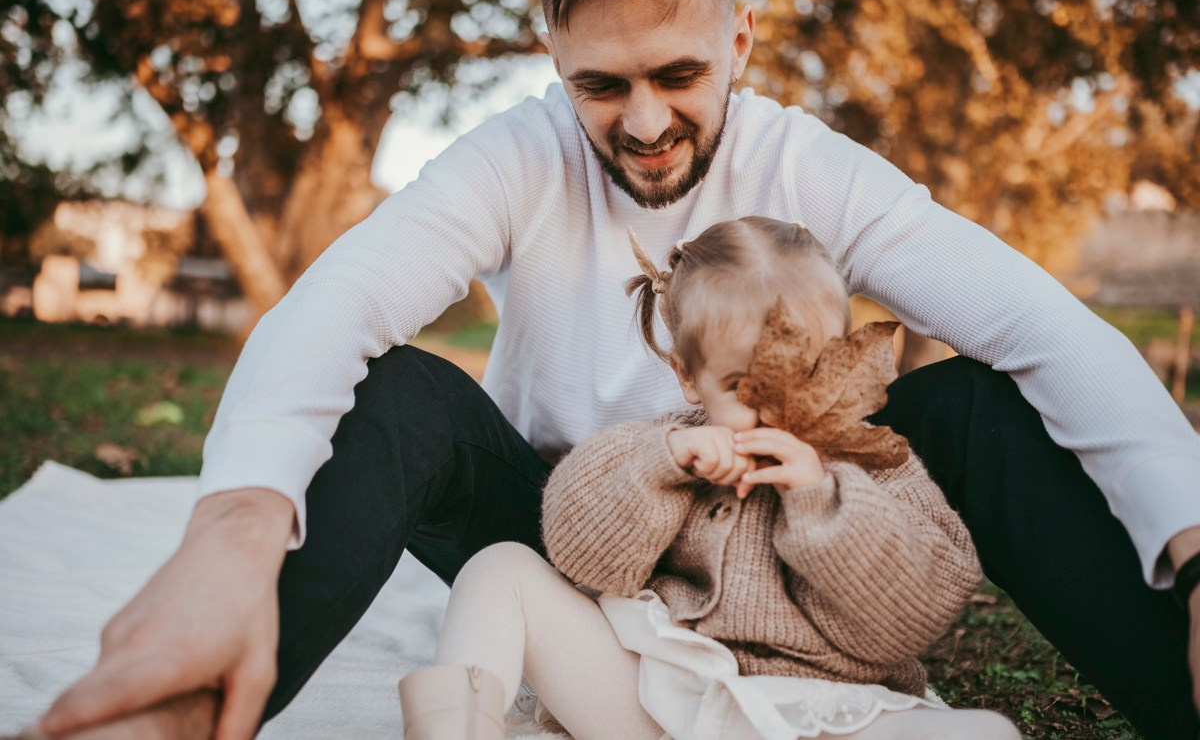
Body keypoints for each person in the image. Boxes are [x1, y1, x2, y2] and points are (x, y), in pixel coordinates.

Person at [32, 0, 1200, 739]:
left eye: (680, 74)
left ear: (742, 36)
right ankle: (185, 712)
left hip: (782, 535)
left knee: (983, 407)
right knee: (395, 393)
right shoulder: (514, 158)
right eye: (603, 85)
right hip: (568, 532)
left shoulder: (811, 168)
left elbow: (1040, 321)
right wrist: (233, 530)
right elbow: (335, 306)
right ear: (552, 56)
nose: (644, 124)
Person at [397, 217, 1022, 740]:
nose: (774, 407)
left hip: (822, 716)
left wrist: (822, 498)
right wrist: (663, 465)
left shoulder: (877, 463)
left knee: (988, 734)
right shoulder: (664, 445)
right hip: (659, 705)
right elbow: (582, 557)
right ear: (689, 377)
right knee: (500, 568)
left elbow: (913, 615)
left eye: (801, 374)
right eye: (742, 387)